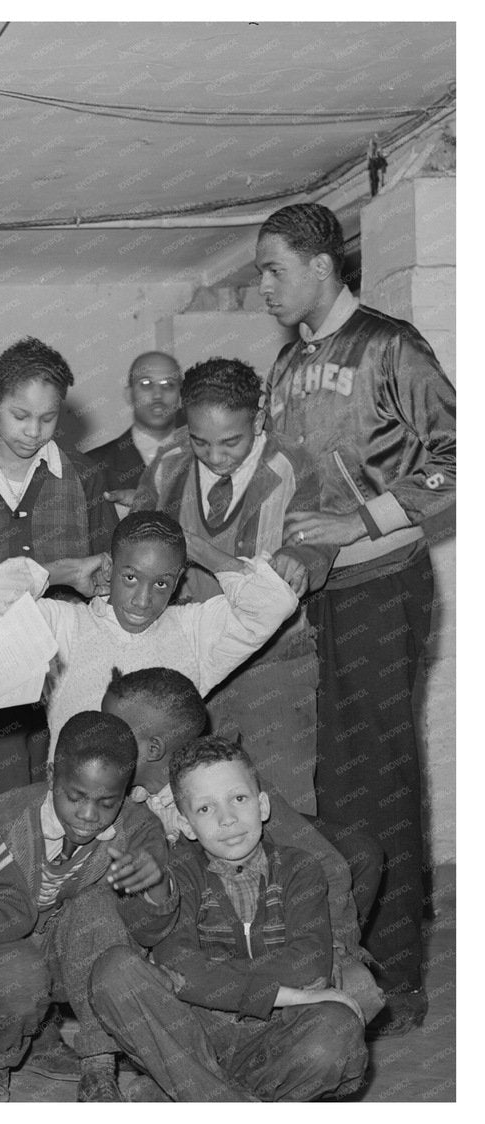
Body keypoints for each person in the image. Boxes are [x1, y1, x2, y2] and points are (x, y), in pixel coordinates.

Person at [256, 202, 454, 1033]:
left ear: (321, 267)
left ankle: (401, 979)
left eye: (273, 269)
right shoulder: (284, 364)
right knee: (334, 786)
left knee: (382, 779)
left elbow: (460, 455)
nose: (264, 286)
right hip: (316, 596)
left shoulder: (391, 345)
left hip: (383, 585)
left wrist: (360, 522)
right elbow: (276, 481)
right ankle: (352, 961)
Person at [90, 736, 369, 1101]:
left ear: (263, 804)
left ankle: (186, 1093)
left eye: (239, 799)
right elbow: (180, 963)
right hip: (197, 1031)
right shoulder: (182, 874)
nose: (227, 819)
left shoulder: (300, 869)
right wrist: (291, 994)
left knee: (337, 1026)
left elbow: (307, 964)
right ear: (187, 826)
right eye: (205, 809)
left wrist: (209, 978)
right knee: (114, 971)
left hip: (276, 1030)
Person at [101, 667, 383, 1025]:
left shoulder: (228, 780)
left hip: (265, 928)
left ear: (153, 748)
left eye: (110, 731)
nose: (101, 739)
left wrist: (337, 949)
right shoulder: (117, 802)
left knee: (356, 987)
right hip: (196, 944)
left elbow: (326, 864)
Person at [129, 356, 335, 810]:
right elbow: (137, 545)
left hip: (276, 662)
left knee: (283, 799)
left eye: (231, 442)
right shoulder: (167, 466)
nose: (216, 456)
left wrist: (302, 557)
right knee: (188, 798)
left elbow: (321, 542)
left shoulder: (293, 465)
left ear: (259, 417)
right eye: (201, 442)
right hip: (189, 663)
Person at [0, 335, 114, 801]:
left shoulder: (84, 476)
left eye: (48, 418)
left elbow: (106, 571)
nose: (33, 431)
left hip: (73, 670)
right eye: (20, 415)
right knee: (4, 802)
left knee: (75, 793)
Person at [0, 509, 296, 753]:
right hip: (77, 811)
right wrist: (63, 572)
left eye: (162, 583)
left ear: (178, 580)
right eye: (131, 577)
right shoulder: (64, 627)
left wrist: (196, 547)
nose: (142, 600)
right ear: (109, 568)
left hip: (160, 819)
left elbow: (273, 604)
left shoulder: (194, 632)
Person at [0, 711, 167, 1102]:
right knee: (19, 978)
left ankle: (97, 1064)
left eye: (107, 802)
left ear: (126, 791)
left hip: (75, 958)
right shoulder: (3, 819)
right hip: (4, 954)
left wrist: (154, 877)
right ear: (50, 775)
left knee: (97, 905)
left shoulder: (139, 828)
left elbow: (153, 924)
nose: (89, 815)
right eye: (75, 796)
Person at [84, 351, 185, 508]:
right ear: (129, 394)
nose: (158, 394)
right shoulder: (92, 466)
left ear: (181, 396)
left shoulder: (205, 457)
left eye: (168, 385)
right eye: (146, 384)